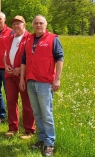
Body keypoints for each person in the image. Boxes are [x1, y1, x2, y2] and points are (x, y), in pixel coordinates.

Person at [19, 15, 64, 157]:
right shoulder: (29, 39)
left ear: (45, 24)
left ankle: (49, 143)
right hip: (30, 81)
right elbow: (24, 61)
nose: (38, 25)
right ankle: (41, 139)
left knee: (46, 113)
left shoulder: (53, 39)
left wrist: (57, 79)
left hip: (45, 82)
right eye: (36, 23)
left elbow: (60, 58)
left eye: (41, 23)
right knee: (37, 113)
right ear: (32, 25)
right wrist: (22, 79)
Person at [3, 15, 36, 139]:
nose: (16, 26)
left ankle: (29, 130)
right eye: (14, 24)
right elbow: (5, 55)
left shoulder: (29, 38)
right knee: (11, 101)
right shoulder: (11, 38)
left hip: (23, 75)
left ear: (24, 24)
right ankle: (13, 128)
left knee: (27, 102)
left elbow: (32, 58)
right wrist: (6, 65)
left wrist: (20, 69)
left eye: (19, 23)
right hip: (10, 75)